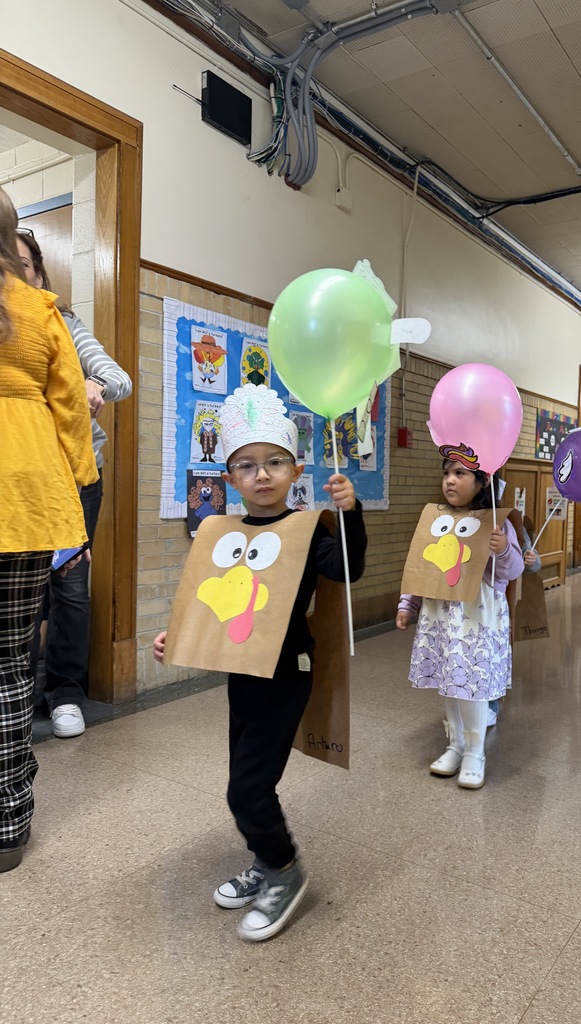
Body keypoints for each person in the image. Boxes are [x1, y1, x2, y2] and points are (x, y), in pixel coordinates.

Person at [153, 384, 366, 941]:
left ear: (296, 470)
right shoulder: (222, 531)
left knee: (246, 788)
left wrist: (350, 515)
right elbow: (210, 599)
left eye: (274, 462)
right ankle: (263, 859)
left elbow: (346, 568)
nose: (262, 474)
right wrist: (176, 636)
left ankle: (285, 870)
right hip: (242, 676)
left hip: (286, 672)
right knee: (245, 775)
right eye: (247, 466)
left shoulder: (304, 530)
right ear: (230, 480)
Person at [0, 188, 97, 872]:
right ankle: (9, 822)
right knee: (9, 664)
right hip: (30, 493)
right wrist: (80, 487)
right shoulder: (39, 307)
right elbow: (70, 409)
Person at [17, 227, 133, 738]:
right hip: (17, 478)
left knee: (69, 585)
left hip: (76, 476)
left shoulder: (60, 319)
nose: (14, 271)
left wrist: (93, 382)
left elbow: (121, 378)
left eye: (24, 263)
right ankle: (17, 695)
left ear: (40, 273)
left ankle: (65, 693)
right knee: (18, 584)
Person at [396, 458, 524, 789]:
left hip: (476, 617)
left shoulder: (497, 521)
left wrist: (504, 549)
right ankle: (456, 745)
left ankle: (475, 752)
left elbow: (512, 572)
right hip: (440, 615)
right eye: (447, 474)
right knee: (448, 682)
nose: (450, 481)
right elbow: (422, 567)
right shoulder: (436, 519)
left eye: (460, 474)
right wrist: (407, 604)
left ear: (482, 481)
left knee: (472, 685)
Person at [488, 511, 541, 727]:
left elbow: (530, 562)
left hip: (498, 597)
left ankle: (491, 703)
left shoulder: (509, 519)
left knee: (494, 650)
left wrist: (532, 558)